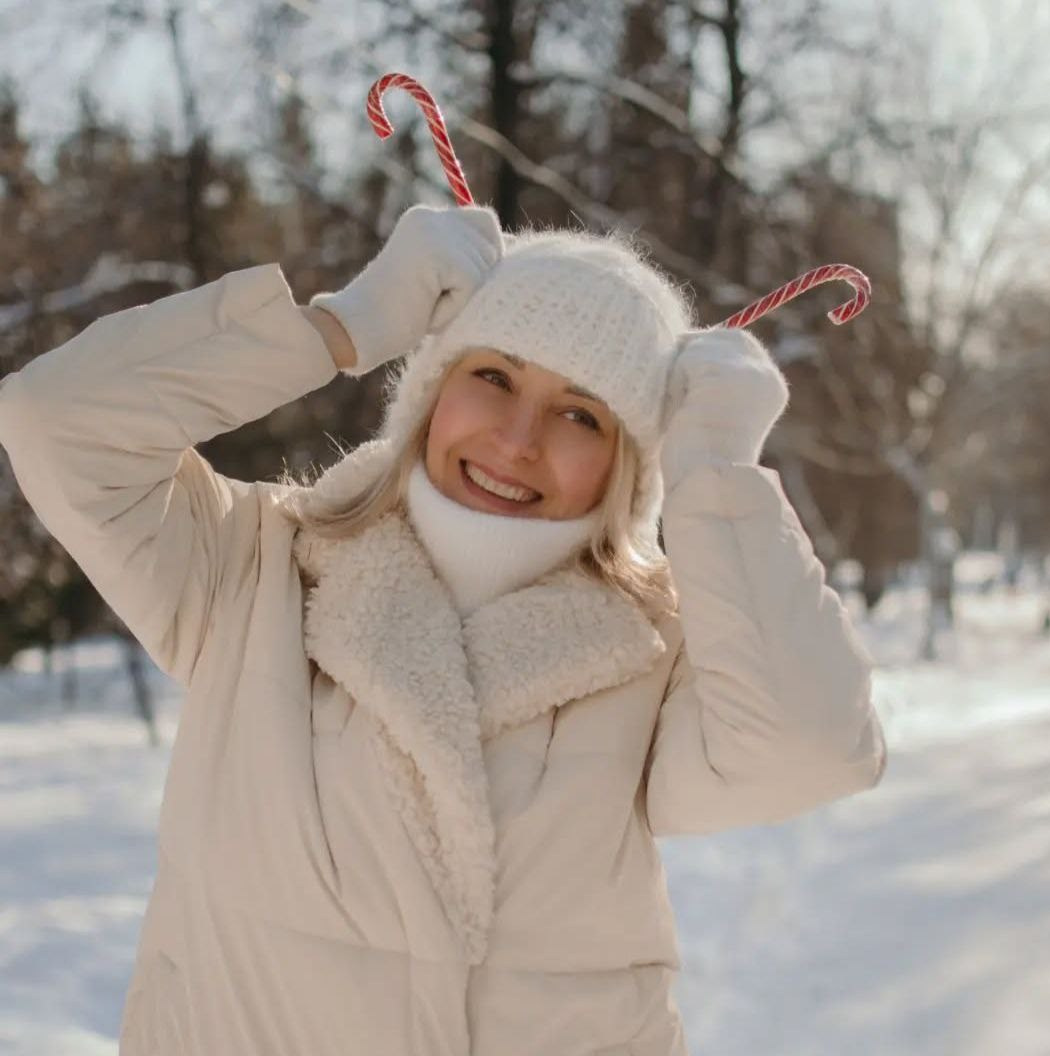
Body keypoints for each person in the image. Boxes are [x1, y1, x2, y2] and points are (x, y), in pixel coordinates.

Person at [0, 204, 887, 1055]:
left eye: (582, 414)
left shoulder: (653, 661)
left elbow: (814, 747)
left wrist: (716, 474)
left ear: (627, 465)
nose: (517, 437)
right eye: (492, 376)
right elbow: (57, 422)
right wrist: (339, 327)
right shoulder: (251, 569)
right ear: (431, 390)